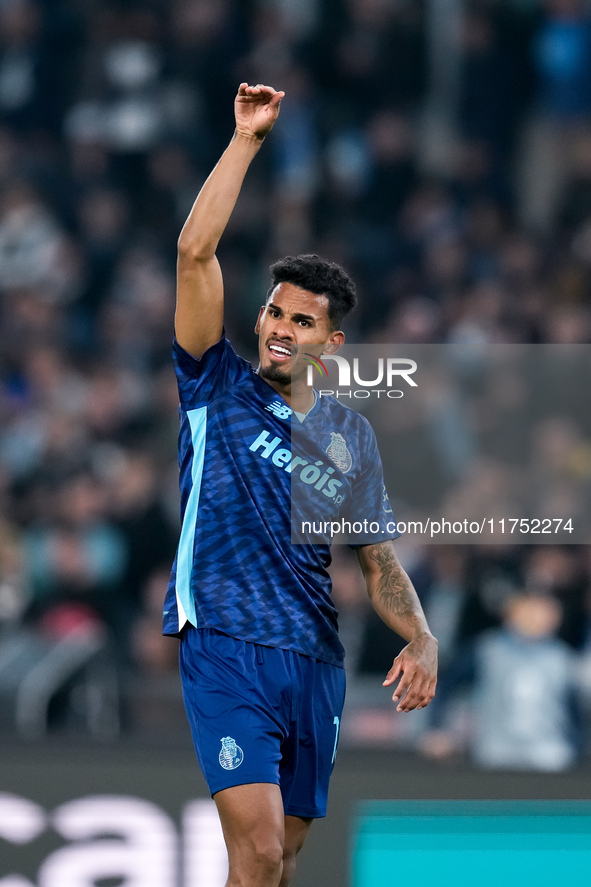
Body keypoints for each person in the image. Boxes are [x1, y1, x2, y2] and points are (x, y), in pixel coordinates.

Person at [162, 82, 438, 887]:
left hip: (311, 653)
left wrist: (419, 636)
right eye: (274, 313)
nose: (281, 328)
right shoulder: (216, 384)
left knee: (278, 861)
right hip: (223, 640)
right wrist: (246, 140)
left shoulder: (349, 436)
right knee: (254, 849)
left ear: (332, 340)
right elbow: (193, 256)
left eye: (302, 321)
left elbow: (376, 561)